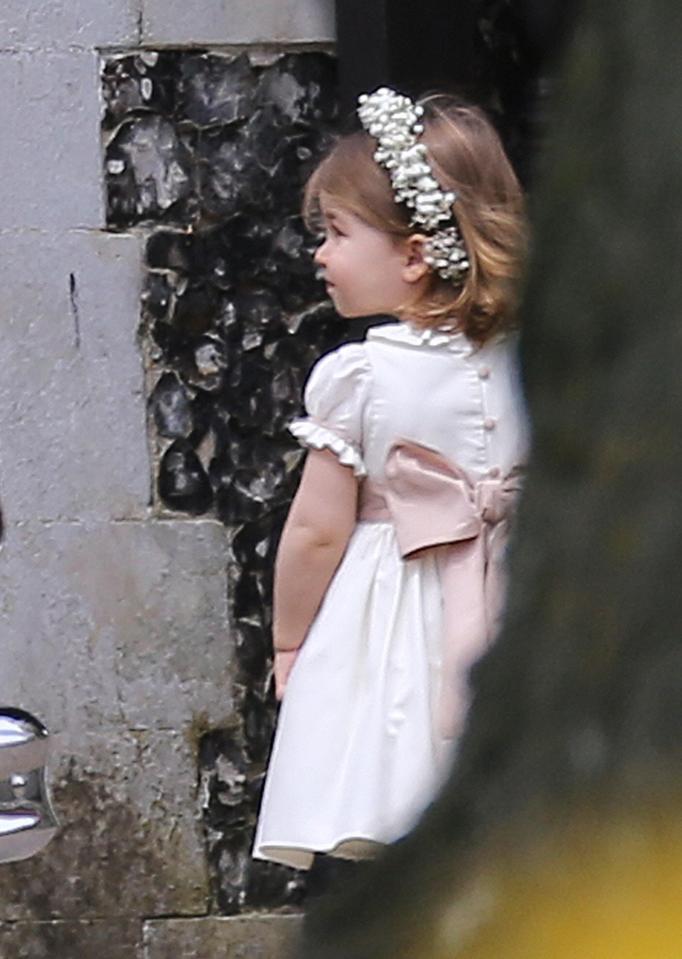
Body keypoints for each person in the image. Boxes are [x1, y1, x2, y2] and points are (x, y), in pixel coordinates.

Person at [252, 88, 530, 872]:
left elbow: (316, 529)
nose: (320, 254)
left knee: (394, 779)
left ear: (413, 254)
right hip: (517, 600)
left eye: (336, 233)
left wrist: (289, 642)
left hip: (395, 621)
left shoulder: (362, 377)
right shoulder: (534, 363)